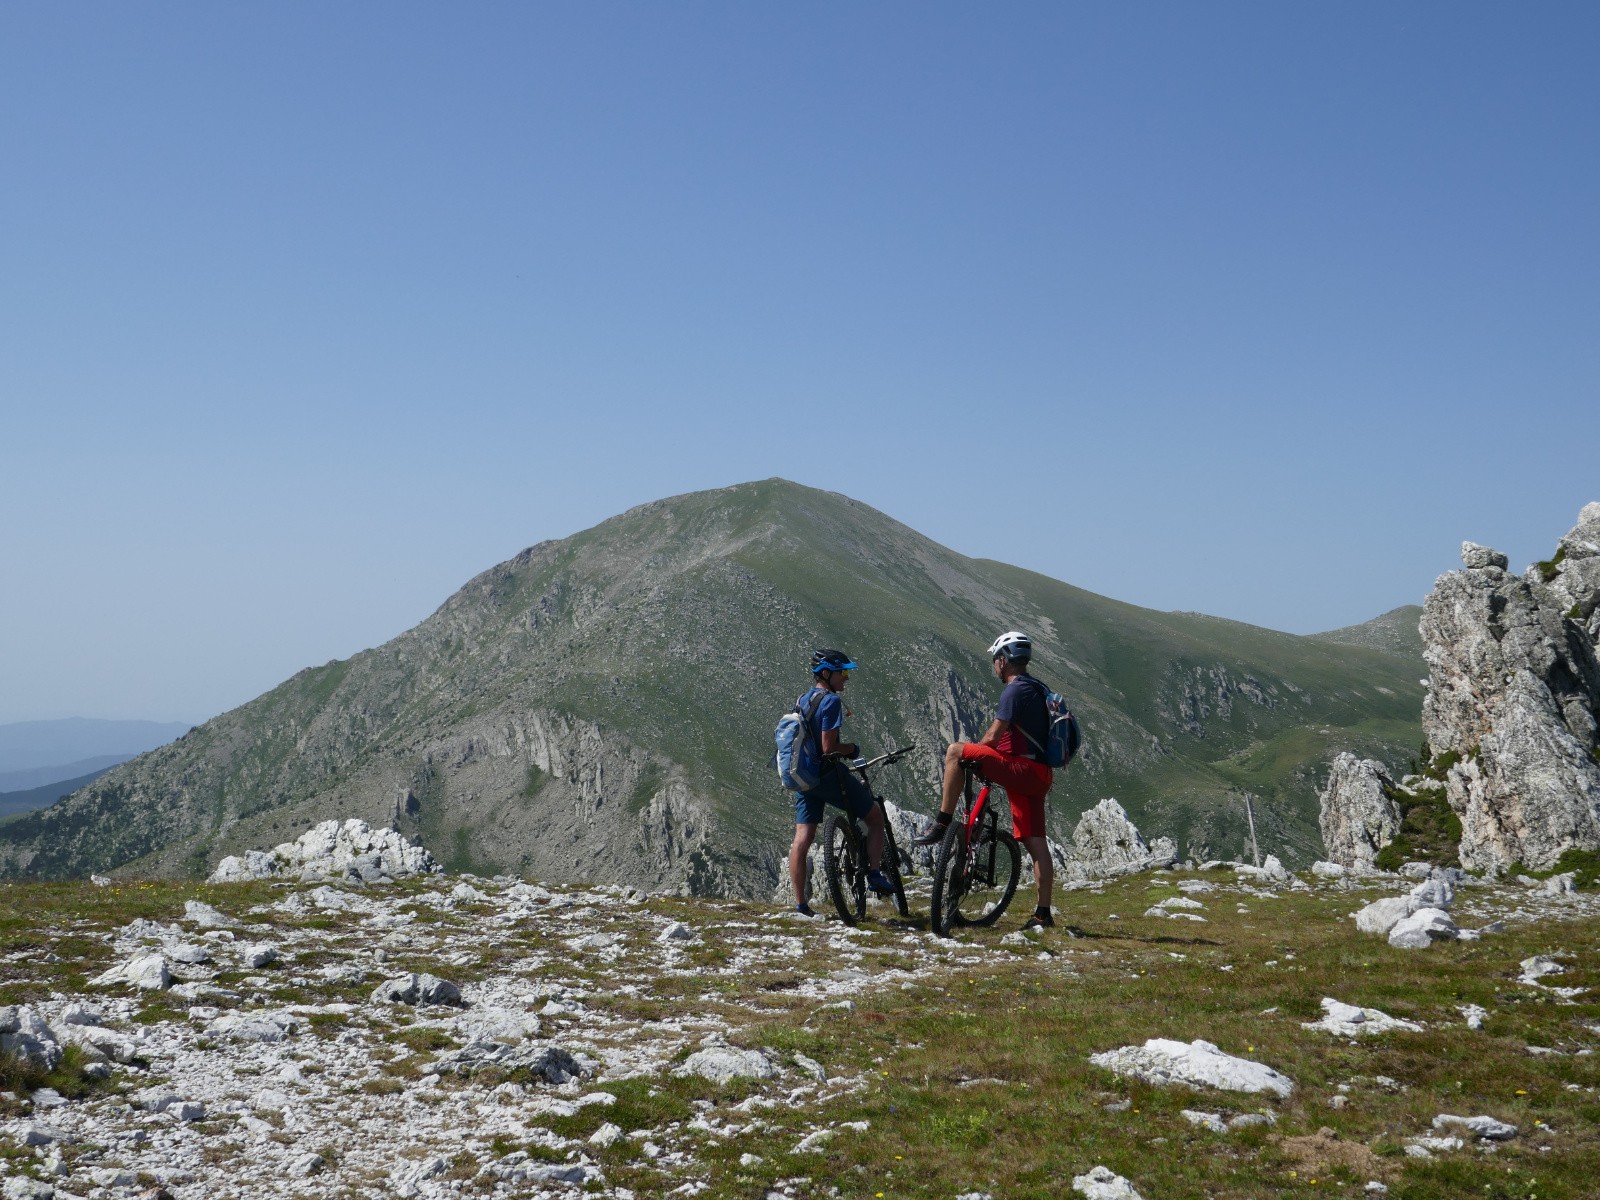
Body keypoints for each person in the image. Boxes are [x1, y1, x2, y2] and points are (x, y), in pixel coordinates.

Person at [915, 631, 1057, 930]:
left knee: (956, 752)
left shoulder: (1014, 690)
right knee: (1036, 844)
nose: (995, 666)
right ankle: (1043, 914)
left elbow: (993, 737)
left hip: (1021, 770)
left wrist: (975, 755)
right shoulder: (1039, 688)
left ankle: (942, 822)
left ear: (1003, 661)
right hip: (1040, 775)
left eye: (996, 661)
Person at [788, 648, 894, 916]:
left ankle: (801, 905)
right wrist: (852, 749)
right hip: (827, 775)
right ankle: (873, 874)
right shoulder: (831, 702)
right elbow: (829, 747)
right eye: (842, 672)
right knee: (874, 817)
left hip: (804, 777)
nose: (846, 677)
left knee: (802, 839)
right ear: (826, 673)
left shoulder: (803, 699)